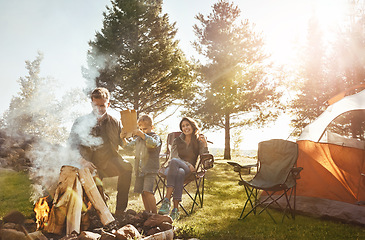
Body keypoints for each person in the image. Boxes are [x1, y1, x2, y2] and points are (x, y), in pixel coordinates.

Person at [68, 87, 132, 216]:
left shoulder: (115, 122)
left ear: (108, 104)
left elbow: (126, 145)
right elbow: (71, 146)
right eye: (96, 105)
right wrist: (83, 161)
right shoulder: (80, 122)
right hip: (86, 165)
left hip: (107, 163)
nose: (99, 109)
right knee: (96, 208)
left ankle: (120, 211)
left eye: (102, 105)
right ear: (92, 103)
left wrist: (128, 136)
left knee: (127, 167)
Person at [158, 117, 209, 220]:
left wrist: (205, 144)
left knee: (178, 167)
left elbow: (205, 157)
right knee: (179, 170)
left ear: (192, 126)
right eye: (183, 126)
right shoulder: (177, 141)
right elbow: (174, 157)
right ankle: (175, 210)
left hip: (189, 171)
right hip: (176, 168)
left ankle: (166, 201)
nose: (185, 128)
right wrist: (188, 164)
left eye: (187, 125)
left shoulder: (198, 141)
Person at [122, 115, 162, 213]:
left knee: (148, 191)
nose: (142, 131)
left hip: (150, 169)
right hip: (140, 170)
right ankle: (147, 212)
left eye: (145, 129)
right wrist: (123, 139)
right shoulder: (138, 139)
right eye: (140, 129)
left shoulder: (155, 137)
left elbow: (153, 144)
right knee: (143, 193)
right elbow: (128, 147)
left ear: (152, 127)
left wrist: (142, 135)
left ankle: (154, 214)